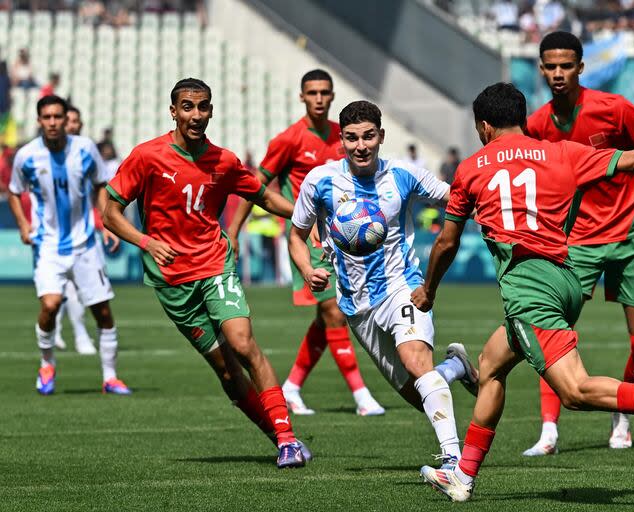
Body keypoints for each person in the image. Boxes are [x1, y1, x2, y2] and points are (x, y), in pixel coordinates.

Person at [415, 82, 634, 502]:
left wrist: (428, 291)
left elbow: (446, 243)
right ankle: (462, 476)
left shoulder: (471, 168)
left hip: (529, 288)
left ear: (483, 127)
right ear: (521, 116)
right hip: (566, 278)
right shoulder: (561, 151)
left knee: (574, 391)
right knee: (491, 365)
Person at [102, 78, 308, 468]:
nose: (196, 115)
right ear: (173, 111)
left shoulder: (224, 161)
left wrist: (307, 214)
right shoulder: (147, 157)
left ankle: (288, 439)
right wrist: (146, 242)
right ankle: (277, 436)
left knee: (243, 343)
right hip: (172, 283)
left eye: (203, 107)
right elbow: (110, 212)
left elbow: (262, 195)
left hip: (215, 264)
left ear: (211, 110)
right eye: (188, 107)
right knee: (228, 374)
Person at [517, 31, 634, 455]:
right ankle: (548, 432)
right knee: (553, 332)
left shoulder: (613, 109)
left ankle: (624, 411)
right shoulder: (539, 124)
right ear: (541, 70)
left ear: (581, 68)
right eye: (551, 66)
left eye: (567, 65)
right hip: (577, 241)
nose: (559, 73)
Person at [289, 100, 479, 468]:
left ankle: (454, 463)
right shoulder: (321, 180)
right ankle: (456, 369)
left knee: (416, 360)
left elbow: (455, 198)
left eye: (368, 136)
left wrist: (493, 201)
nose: (361, 145)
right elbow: (296, 236)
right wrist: (307, 270)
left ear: (381, 136)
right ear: (341, 141)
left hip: (401, 286)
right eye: (352, 138)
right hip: (357, 305)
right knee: (415, 391)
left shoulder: (402, 175)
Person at [227, 69, 384, 416]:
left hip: (344, 239)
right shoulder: (289, 140)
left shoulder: (341, 136)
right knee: (334, 312)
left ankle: (292, 388)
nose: (318, 98)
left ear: (331, 96)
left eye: (324, 92)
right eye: (311, 92)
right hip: (309, 239)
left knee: (327, 317)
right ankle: (361, 396)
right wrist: (235, 231)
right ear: (302, 97)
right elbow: (255, 185)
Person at [7, 95, 131, 396]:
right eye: (46, 117)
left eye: (57, 117)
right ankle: (47, 364)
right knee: (49, 306)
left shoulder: (85, 149)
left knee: (102, 312)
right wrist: (24, 225)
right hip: (47, 246)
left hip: (85, 244)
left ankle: (110, 377)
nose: (52, 122)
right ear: (39, 121)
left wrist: (107, 221)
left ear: (66, 120)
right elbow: (13, 191)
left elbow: (102, 184)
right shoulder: (27, 156)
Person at [50, 104, 100, 354]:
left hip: (82, 231)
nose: (74, 125)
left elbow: (99, 186)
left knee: (75, 289)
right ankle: (74, 334)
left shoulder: (86, 150)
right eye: (69, 120)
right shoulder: (48, 152)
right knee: (62, 289)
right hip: (55, 234)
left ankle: (73, 333)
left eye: (76, 121)